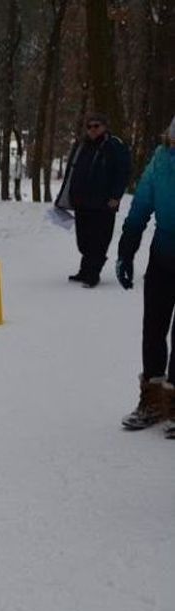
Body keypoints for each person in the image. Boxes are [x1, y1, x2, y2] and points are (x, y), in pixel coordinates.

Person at [116, 115, 175, 437]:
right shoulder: (161, 161)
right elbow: (140, 206)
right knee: (153, 327)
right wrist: (126, 249)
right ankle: (152, 400)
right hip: (163, 257)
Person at [56, 112, 131, 288]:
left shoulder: (114, 145)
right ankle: (84, 271)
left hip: (103, 203)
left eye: (96, 126)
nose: (92, 130)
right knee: (83, 241)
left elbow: (123, 172)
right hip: (81, 201)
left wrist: (116, 196)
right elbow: (73, 170)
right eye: (89, 126)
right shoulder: (82, 145)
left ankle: (93, 274)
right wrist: (67, 195)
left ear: (104, 127)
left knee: (99, 241)